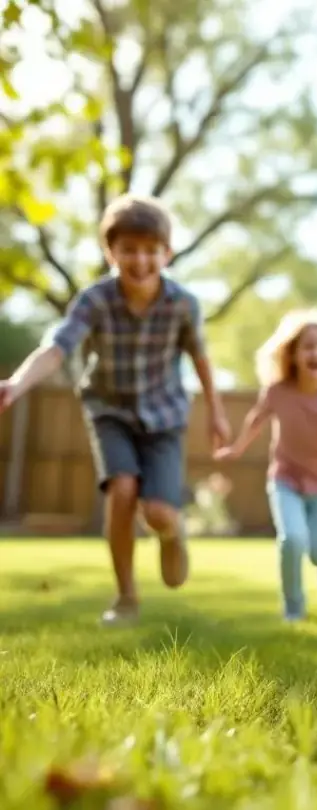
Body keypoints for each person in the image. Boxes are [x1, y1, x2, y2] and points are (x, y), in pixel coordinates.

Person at [0, 193, 230, 625]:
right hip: (109, 412)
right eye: (128, 249)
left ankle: (172, 531)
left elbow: (200, 358)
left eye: (150, 250)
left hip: (164, 416)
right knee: (121, 491)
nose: (140, 260)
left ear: (167, 252)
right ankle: (126, 597)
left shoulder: (183, 303)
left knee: (159, 511)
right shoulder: (95, 299)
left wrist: (217, 412)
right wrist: (16, 385)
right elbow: (58, 348)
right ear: (111, 252)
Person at [214, 309, 317, 621]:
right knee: (292, 540)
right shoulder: (277, 391)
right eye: (309, 347)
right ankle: (293, 605)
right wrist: (235, 449)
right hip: (286, 479)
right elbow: (255, 420)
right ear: (293, 354)